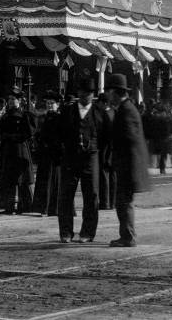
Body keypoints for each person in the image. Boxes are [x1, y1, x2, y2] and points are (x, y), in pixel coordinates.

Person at [106, 74, 150, 247]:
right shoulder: (125, 108)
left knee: (124, 203)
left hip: (128, 166)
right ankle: (126, 235)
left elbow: (130, 140)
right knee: (122, 202)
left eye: (109, 92)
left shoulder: (126, 111)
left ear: (115, 92)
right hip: (126, 165)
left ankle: (128, 237)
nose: (107, 96)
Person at [57, 78, 104, 243]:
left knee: (91, 196)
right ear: (78, 93)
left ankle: (87, 232)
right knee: (65, 195)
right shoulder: (67, 111)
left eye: (89, 94)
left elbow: (105, 138)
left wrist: (98, 153)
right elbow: (59, 134)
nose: (85, 96)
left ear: (93, 95)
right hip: (70, 158)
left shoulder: (99, 112)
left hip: (91, 159)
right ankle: (66, 232)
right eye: (83, 93)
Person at [0, 89, 35, 215]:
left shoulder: (25, 115)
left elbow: (29, 132)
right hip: (7, 150)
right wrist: (4, 136)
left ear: (19, 101)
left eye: (14, 99)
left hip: (19, 149)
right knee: (8, 178)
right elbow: (0, 131)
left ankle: (25, 206)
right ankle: (9, 206)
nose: (11, 102)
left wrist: (15, 137)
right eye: (10, 99)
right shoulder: (5, 116)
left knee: (22, 179)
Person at [32, 90, 62, 217]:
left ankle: (52, 207)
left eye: (52, 103)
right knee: (44, 179)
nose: (49, 105)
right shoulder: (44, 118)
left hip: (54, 155)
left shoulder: (60, 118)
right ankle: (43, 206)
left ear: (57, 105)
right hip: (45, 154)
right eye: (48, 103)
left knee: (53, 180)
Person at [96, 93, 116, 211]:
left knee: (104, 176)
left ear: (103, 103)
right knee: (113, 176)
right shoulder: (114, 113)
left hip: (105, 149)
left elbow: (103, 134)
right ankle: (112, 202)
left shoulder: (104, 115)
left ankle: (105, 202)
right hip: (114, 149)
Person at [147, 101, 172, 174]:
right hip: (164, 138)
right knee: (163, 154)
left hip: (159, 137)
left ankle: (160, 167)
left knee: (159, 154)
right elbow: (171, 127)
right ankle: (162, 168)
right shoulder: (166, 118)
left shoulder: (155, 117)